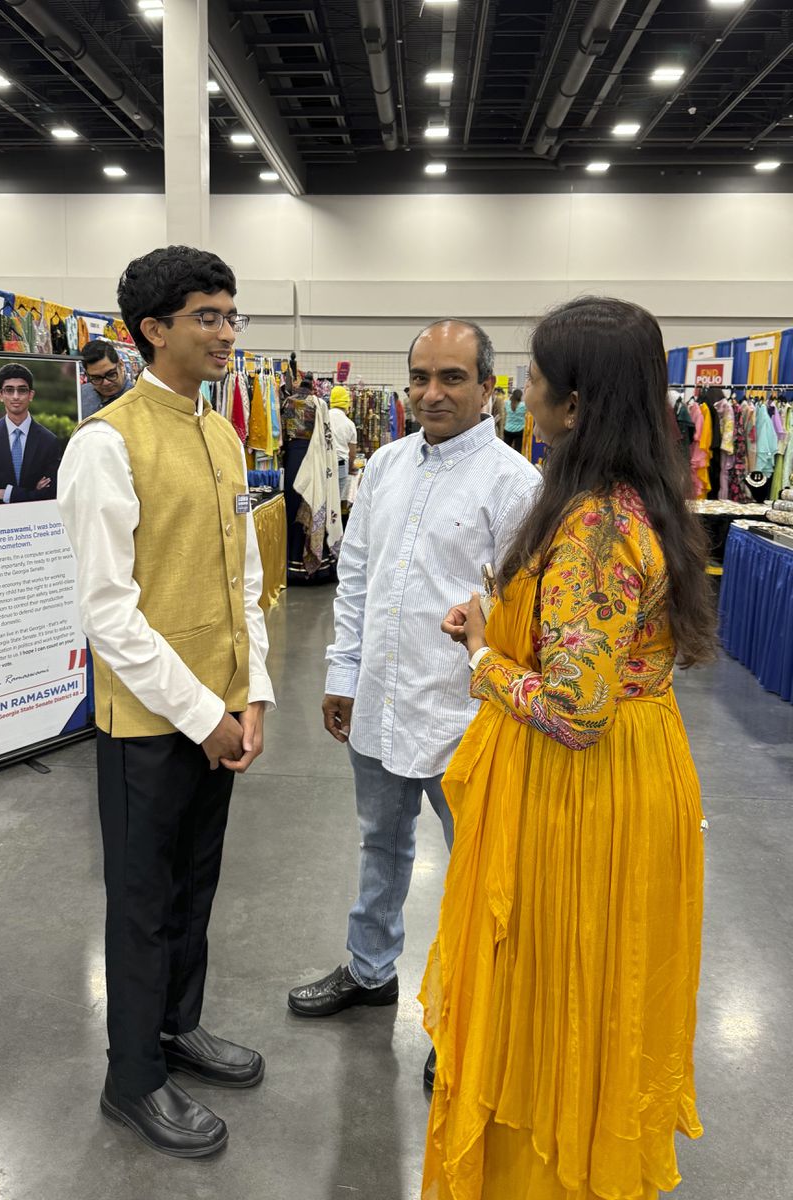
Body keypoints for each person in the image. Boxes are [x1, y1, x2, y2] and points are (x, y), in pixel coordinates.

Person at [421, 297, 717, 1200]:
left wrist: (481, 657)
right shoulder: (634, 498)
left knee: (561, 998)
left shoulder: (590, 524)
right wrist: (508, 624)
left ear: (576, 405)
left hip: (582, 793)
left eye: (537, 382)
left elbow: (572, 709)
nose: (525, 397)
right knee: (591, 996)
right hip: (627, 769)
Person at [57, 246, 275, 1160]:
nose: (227, 333)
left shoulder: (222, 433)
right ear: (153, 330)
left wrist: (253, 694)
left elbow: (246, 572)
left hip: (220, 715)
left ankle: (178, 1028)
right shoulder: (105, 442)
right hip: (151, 724)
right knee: (142, 899)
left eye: (231, 316)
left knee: (197, 882)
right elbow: (109, 612)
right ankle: (131, 1077)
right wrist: (206, 714)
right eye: (207, 317)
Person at [287, 320, 542, 1081]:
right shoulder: (387, 465)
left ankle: (469, 1013)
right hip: (381, 699)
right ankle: (371, 973)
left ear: (488, 388)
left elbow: (520, 615)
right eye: (420, 376)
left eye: (452, 378)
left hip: (466, 715)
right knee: (380, 845)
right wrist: (341, 672)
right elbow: (357, 576)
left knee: (477, 870)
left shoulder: (514, 485)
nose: (431, 393)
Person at [281, 371, 342, 583]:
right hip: (313, 457)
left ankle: (292, 565)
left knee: (292, 510)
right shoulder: (318, 404)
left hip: (292, 459)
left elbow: (281, 434)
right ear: (312, 386)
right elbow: (326, 438)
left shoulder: (287, 402)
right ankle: (318, 567)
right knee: (314, 502)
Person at [0, 362, 61, 503]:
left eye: (22, 390)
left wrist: (6, 494)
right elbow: (39, 495)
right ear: (0, 395)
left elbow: (51, 493)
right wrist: (33, 492)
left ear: (31, 395)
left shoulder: (49, 441)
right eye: (9, 390)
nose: (16, 396)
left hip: (36, 522)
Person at [79, 340, 132, 419]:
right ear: (87, 375)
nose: (106, 383)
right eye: (97, 378)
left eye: (111, 374)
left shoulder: (137, 400)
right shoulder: (80, 394)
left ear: (121, 365)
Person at [328, 384, 358, 498]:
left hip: (324, 462)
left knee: (324, 501)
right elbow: (352, 454)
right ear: (346, 403)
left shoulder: (323, 418)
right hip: (341, 464)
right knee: (336, 501)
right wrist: (350, 468)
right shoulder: (349, 424)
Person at [502, 386, 526, 453]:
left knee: (505, 450)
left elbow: (505, 412)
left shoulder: (507, 403)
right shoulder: (523, 406)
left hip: (507, 429)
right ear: (520, 396)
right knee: (518, 451)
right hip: (519, 431)